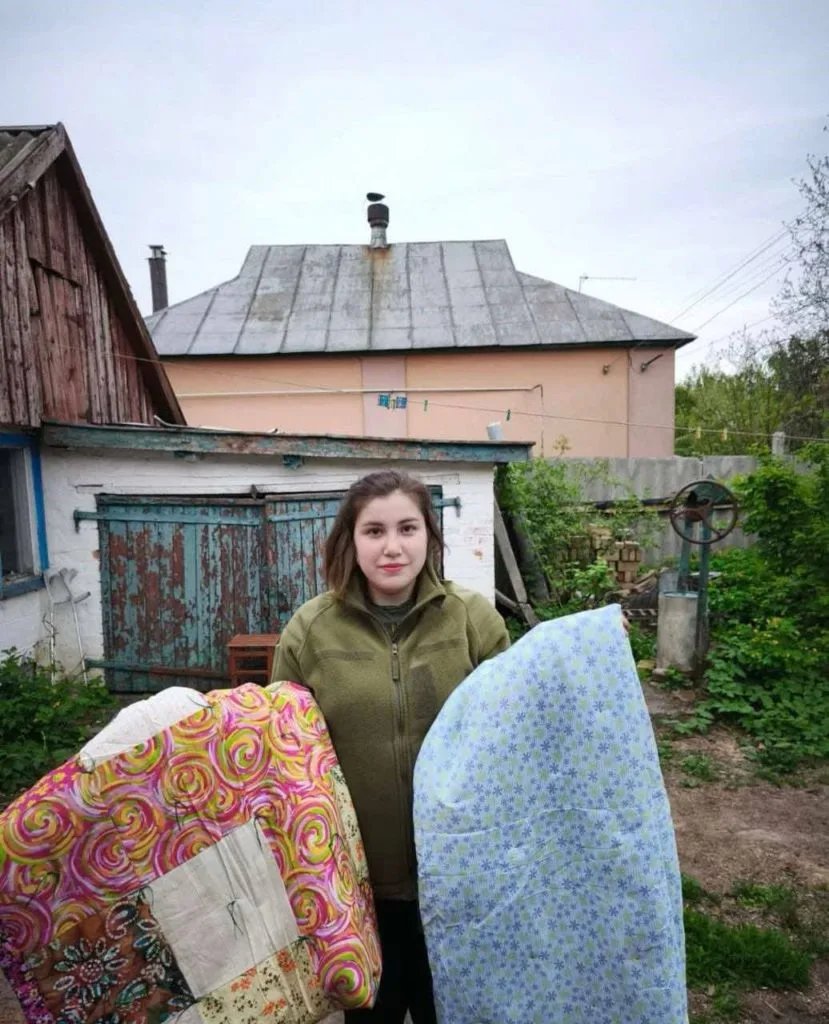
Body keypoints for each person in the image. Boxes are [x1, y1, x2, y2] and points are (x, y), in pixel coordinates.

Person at [271, 469, 510, 1023]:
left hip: (454, 881)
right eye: (374, 531)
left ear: (429, 533)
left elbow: (515, 732)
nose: (393, 547)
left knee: (449, 1012)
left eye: (407, 527)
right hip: (356, 889)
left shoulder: (474, 620)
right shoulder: (309, 631)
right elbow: (279, 755)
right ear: (350, 542)